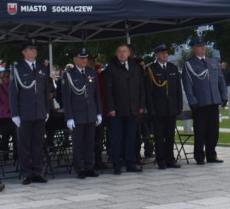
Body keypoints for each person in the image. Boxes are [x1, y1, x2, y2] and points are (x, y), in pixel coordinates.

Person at [9, 42, 51, 185]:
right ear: (24, 52)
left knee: (38, 144)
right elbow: (13, 93)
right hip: (24, 113)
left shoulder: (41, 68)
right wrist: (15, 114)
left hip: (39, 112)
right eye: (30, 49)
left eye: (35, 49)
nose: (34, 51)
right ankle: (26, 173)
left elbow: (46, 91)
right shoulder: (17, 69)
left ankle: (37, 172)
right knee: (24, 145)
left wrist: (46, 110)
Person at [182, 37, 227, 165]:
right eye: (200, 46)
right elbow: (187, 85)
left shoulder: (213, 61)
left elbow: (221, 81)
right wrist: (192, 100)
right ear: (194, 49)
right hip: (200, 103)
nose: (203, 48)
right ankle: (199, 156)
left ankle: (211, 154)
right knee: (200, 131)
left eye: (204, 46)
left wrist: (224, 96)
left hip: (213, 101)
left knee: (213, 131)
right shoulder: (189, 64)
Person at [103, 43, 145, 175]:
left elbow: (141, 88)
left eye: (124, 51)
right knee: (117, 138)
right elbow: (108, 91)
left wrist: (141, 105)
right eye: (120, 51)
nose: (122, 54)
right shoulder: (111, 68)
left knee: (131, 138)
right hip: (117, 110)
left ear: (129, 53)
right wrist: (111, 108)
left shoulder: (135, 67)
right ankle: (117, 164)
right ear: (116, 54)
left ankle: (131, 162)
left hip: (132, 109)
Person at [60, 48, 102, 178]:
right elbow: (66, 98)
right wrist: (69, 117)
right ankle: (80, 168)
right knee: (78, 143)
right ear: (75, 59)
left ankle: (89, 166)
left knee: (90, 142)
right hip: (77, 114)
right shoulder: (69, 75)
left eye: (85, 58)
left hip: (90, 113)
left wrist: (98, 112)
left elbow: (96, 95)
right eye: (81, 58)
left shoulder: (91, 72)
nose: (84, 60)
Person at [144, 45, 183, 170]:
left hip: (171, 108)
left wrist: (179, 105)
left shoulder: (173, 68)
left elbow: (178, 90)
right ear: (156, 55)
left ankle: (170, 159)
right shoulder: (151, 69)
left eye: (166, 53)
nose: (164, 55)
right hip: (158, 108)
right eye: (161, 53)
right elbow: (149, 92)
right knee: (159, 136)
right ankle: (161, 160)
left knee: (170, 135)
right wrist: (151, 109)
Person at [0, 69, 14, 160]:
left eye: (10, 76)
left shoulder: (15, 88)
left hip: (14, 116)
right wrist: (9, 109)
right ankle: (4, 154)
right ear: (2, 78)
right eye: (7, 76)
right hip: (4, 117)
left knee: (16, 136)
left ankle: (16, 154)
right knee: (5, 136)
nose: (9, 78)